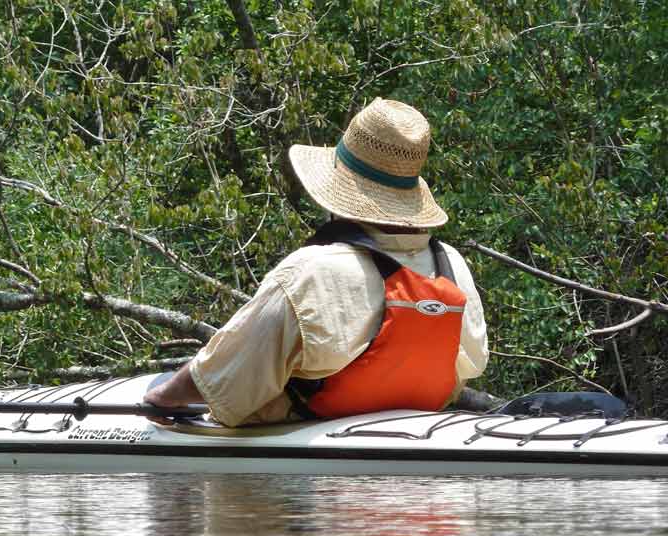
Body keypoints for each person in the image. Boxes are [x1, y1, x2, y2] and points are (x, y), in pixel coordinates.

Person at [144, 97, 488, 426]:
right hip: (414, 437)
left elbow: (221, 382)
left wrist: (164, 396)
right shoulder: (453, 267)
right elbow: (467, 368)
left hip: (307, 448)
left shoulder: (311, 272)